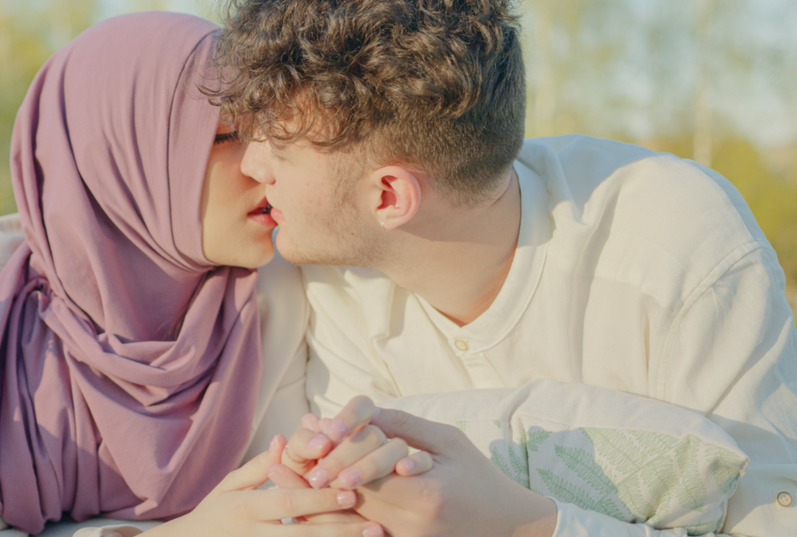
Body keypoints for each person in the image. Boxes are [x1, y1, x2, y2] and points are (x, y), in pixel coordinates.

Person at [204, 0, 797, 536]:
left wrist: (531, 526)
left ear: (389, 197)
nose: (251, 166)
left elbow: (772, 521)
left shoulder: (678, 247)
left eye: (278, 149)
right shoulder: (334, 278)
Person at [0, 11, 402, 537]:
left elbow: (274, 507)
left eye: (272, 134)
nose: (264, 163)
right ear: (121, 160)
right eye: (227, 134)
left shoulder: (276, 287)